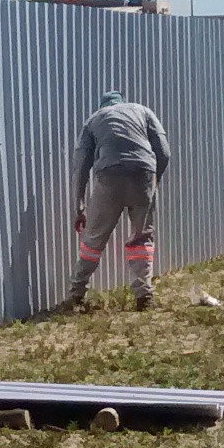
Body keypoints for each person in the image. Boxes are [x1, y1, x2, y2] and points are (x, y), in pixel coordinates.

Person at [66, 91, 170, 311]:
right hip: (143, 174)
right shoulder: (143, 111)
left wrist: (79, 206)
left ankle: (76, 296)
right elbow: (164, 151)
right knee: (141, 239)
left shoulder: (94, 120)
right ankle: (144, 297)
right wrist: (154, 179)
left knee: (93, 240)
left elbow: (81, 165)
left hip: (110, 176)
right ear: (122, 102)